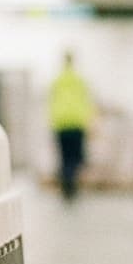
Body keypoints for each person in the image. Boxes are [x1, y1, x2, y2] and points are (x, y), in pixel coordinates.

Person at [48, 51, 95, 202]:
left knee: (64, 157)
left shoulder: (57, 81)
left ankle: (66, 187)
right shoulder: (80, 80)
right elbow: (88, 102)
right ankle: (72, 186)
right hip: (77, 123)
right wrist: (90, 122)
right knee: (75, 157)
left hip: (61, 123)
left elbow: (51, 102)